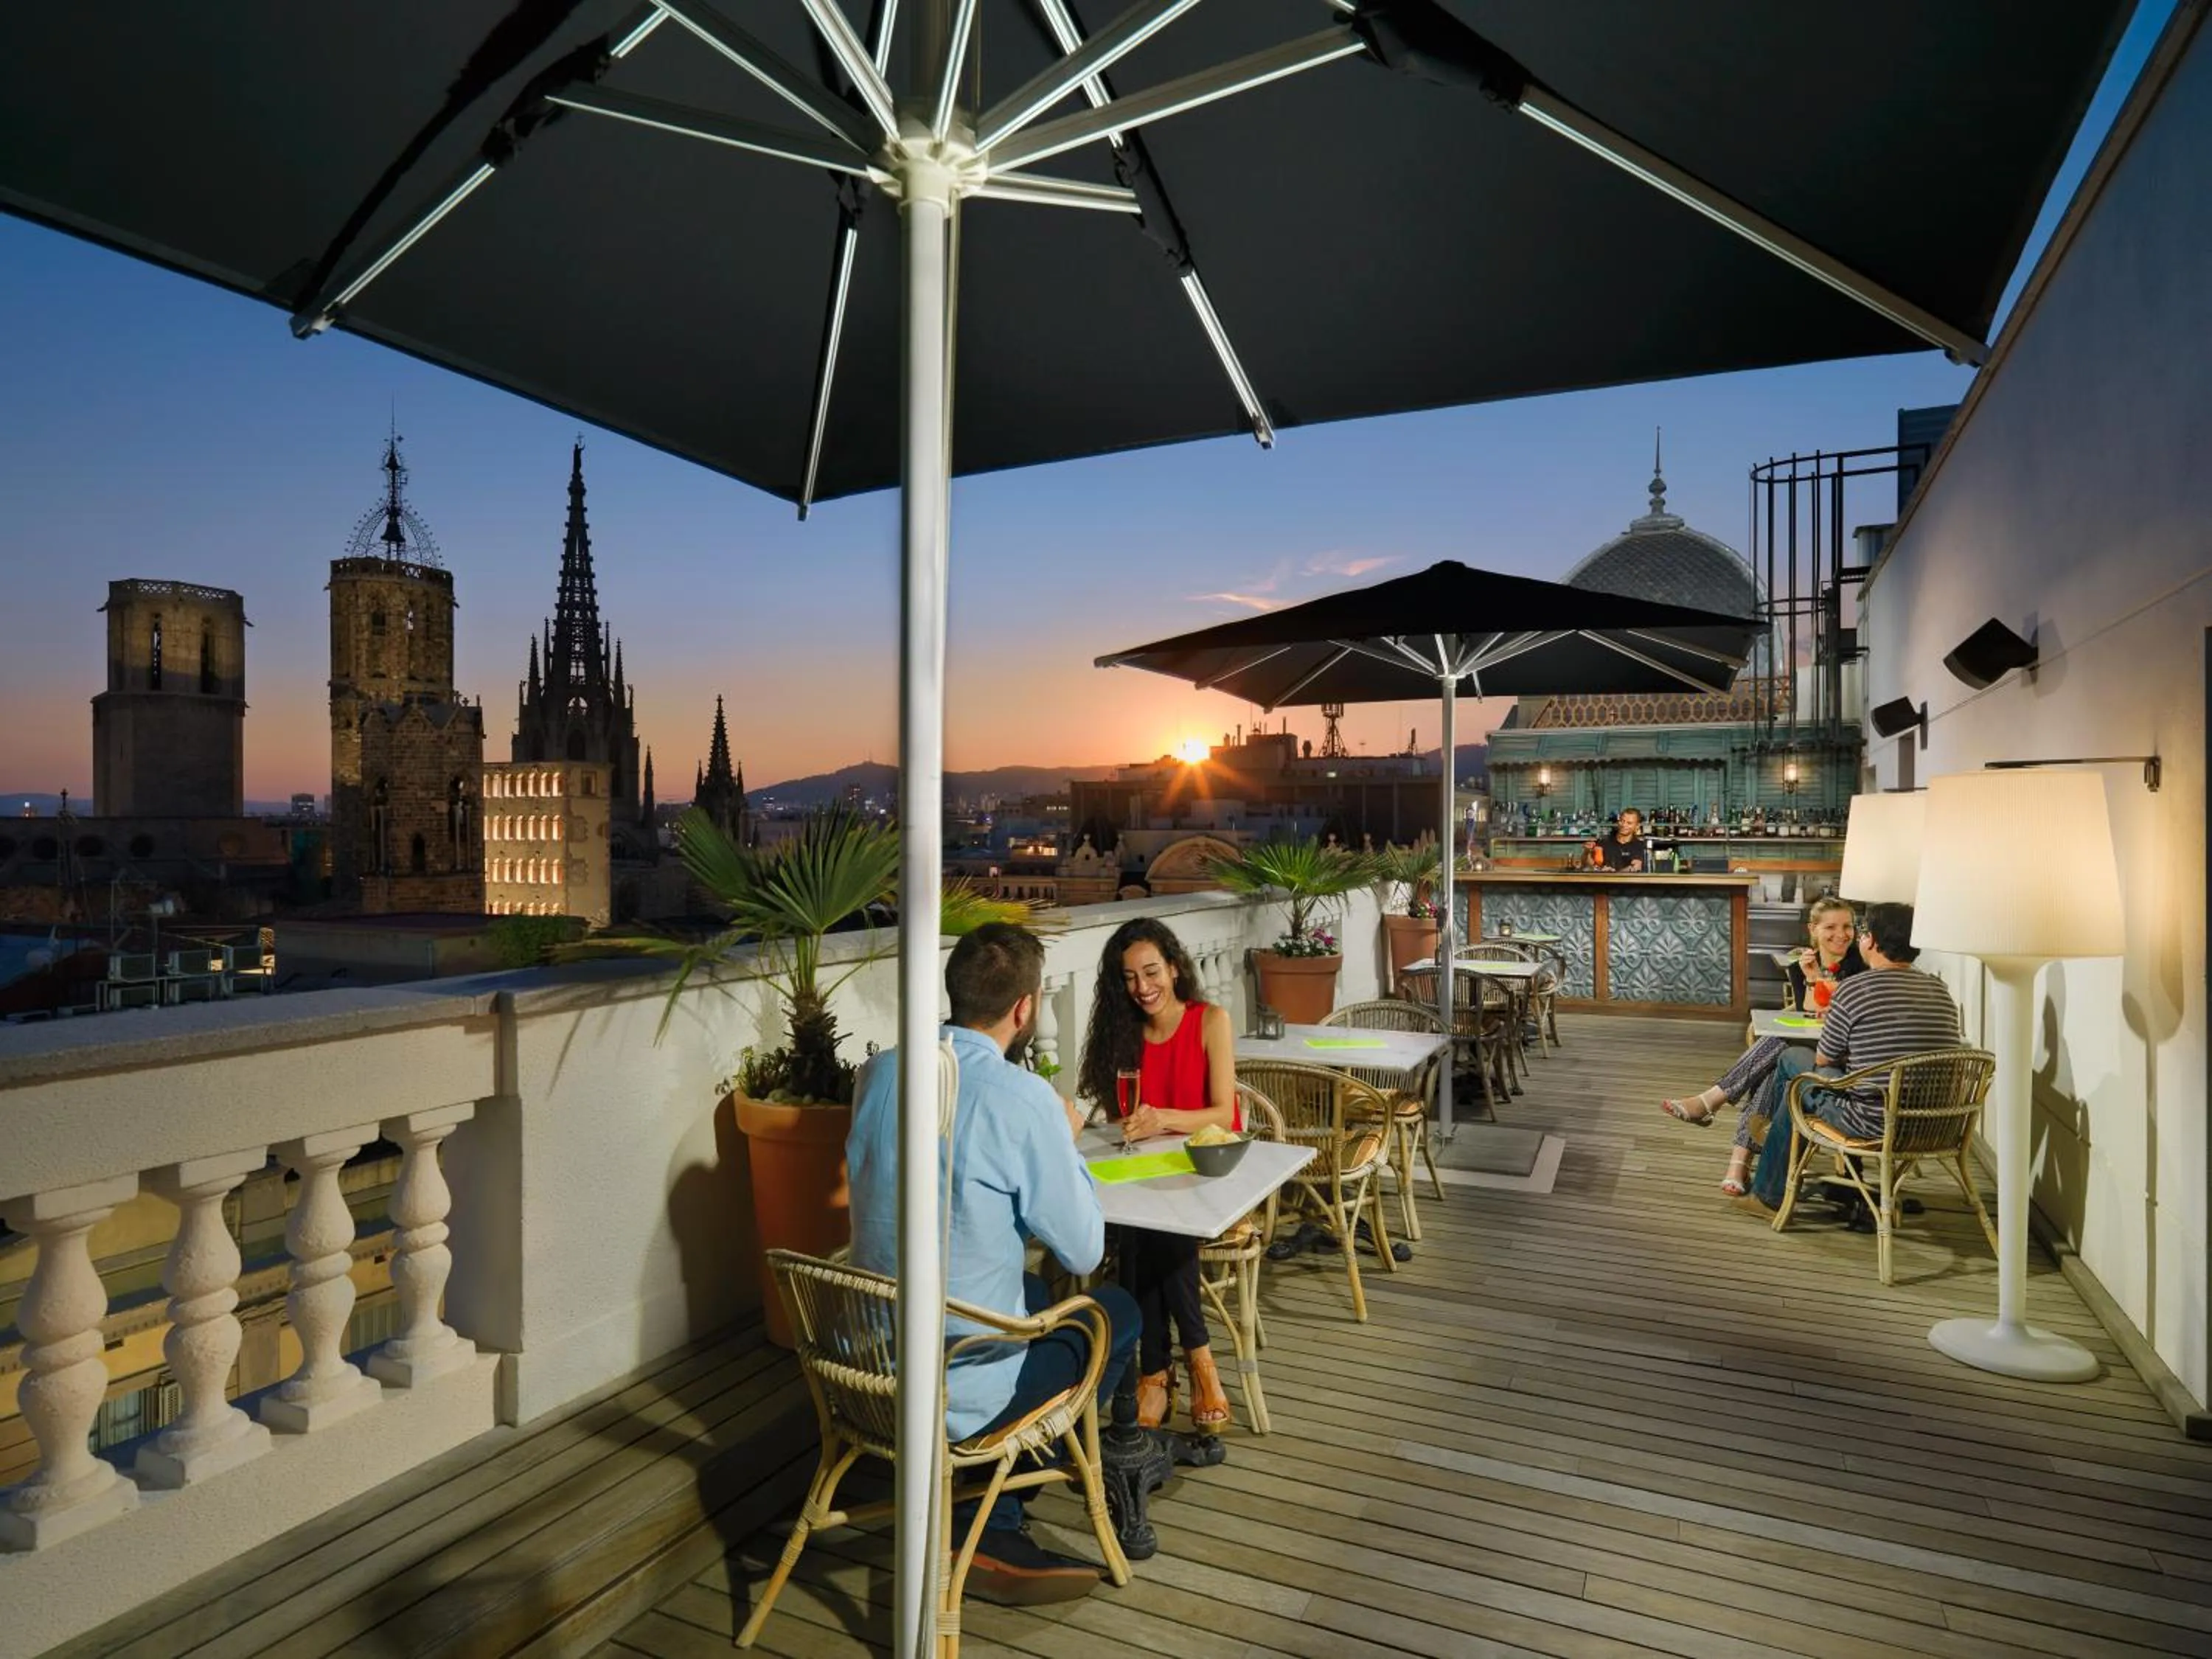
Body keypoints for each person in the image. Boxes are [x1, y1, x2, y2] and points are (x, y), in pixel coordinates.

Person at [848, 922, 1140, 1605]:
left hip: (863, 1360)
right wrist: (1063, 1140)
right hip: (952, 1385)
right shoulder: (1022, 1098)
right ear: (1025, 1009)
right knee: (1116, 1311)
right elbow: (1085, 1250)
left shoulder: (881, 1072)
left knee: (1033, 1285)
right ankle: (992, 1511)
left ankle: (986, 1495)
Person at [1076, 917, 1238, 1433]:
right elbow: (1121, 1117)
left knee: (1153, 1236)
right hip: (1150, 1174)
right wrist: (1132, 1124)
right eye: (1128, 978)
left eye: (1151, 972)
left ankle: (1160, 1370)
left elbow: (1223, 1113)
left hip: (1205, 1173)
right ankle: (1192, 1362)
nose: (1142, 988)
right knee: (1147, 1231)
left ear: (1174, 967)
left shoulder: (1210, 1020)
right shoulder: (1123, 1037)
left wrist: (1164, 1117)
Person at [1747, 902, 1964, 1211]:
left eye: (1862, 931)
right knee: (1807, 1075)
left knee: (1794, 1060)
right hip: (1938, 1125)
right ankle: (1781, 1142)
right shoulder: (1940, 990)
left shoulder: (1854, 989)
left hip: (1872, 1123)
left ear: (1871, 941)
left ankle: (1768, 1187)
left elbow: (1823, 1061)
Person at [1661, 896, 1865, 1196]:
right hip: (1808, 1050)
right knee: (1774, 1065)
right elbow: (1810, 1011)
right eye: (1831, 927)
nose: (1842, 934)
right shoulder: (1801, 964)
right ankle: (1738, 1161)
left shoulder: (1860, 968)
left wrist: (1817, 987)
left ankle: (1713, 1107)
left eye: (1848, 926)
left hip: (1839, 1059)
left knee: (1776, 1043)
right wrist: (1811, 977)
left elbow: (1832, 1017)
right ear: (1813, 929)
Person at [1585, 807, 1649, 871]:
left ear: (1637, 826)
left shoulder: (1641, 847)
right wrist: (1587, 852)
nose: (1624, 825)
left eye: (1629, 823)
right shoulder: (1604, 842)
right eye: (1622, 821)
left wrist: (1642, 866)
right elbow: (1590, 865)